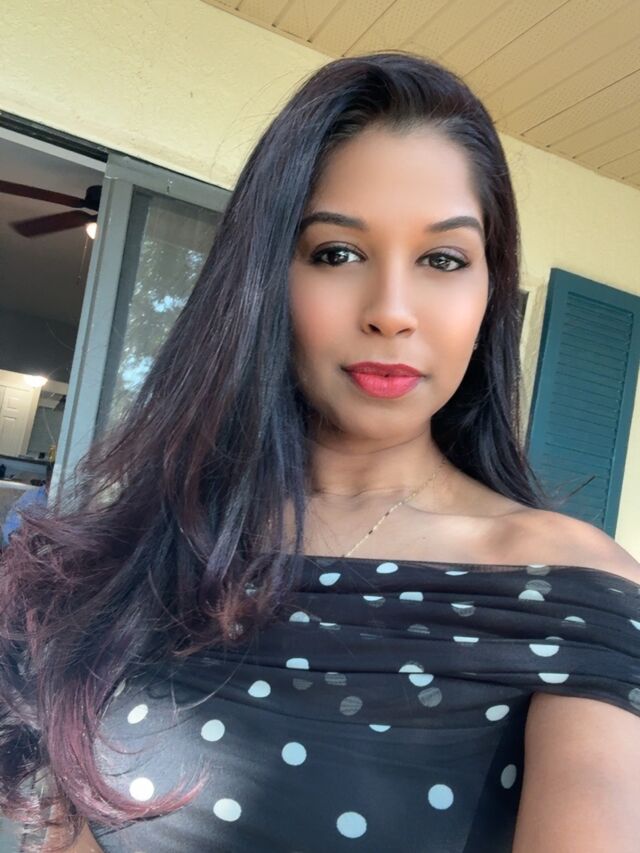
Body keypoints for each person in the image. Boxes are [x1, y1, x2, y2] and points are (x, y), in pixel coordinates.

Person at [1, 52, 639, 853]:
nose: (391, 311)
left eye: (443, 259)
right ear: (264, 280)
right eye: (337, 252)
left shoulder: (571, 591)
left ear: (489, 292)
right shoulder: (147, 549)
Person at [1, 463, 52, 548]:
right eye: (50, 480)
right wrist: (12, 536)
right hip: (25, 547)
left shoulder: (67, 501)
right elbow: (10, 525)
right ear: (48, 479)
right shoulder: (32, 495)